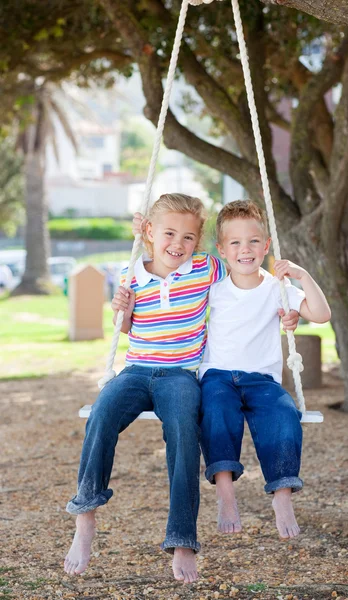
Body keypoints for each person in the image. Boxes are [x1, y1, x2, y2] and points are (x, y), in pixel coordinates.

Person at [64, 194, 228, 584]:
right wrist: (122, 306)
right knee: (101, 414)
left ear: (198, 241)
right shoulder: (132, 270)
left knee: (185, 434)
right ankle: (85, 518)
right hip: (136, 370)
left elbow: (246, 264)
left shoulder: (206, 267)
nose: (178, 244)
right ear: (150, 232)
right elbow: (126, 327)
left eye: (188, 237)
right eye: (169, 233)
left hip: (180, 374)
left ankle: (183, 538)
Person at [199, 200, 331, 540]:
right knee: (215, 413)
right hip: (218, 375)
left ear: (267, 246)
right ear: (222, 250)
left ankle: (283, 495)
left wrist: (303, 277)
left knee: (285, 416)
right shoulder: (212, 290)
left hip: (263, 379)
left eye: (254, 241)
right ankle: (226, 495)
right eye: (236, 243)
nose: (246, 250)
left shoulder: (278, 289)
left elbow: (321, 314)